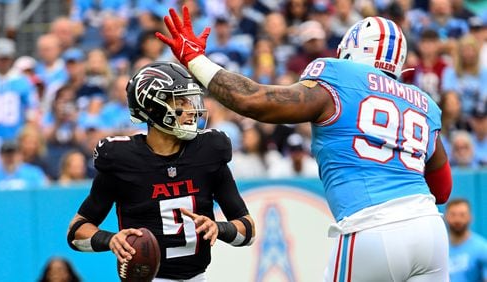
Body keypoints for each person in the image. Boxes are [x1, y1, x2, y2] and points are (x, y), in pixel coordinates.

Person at [157, 7, 452, 281]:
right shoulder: (424, 102)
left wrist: (195, 60)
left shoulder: (337, 76)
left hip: (372, 226)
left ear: (350, 51)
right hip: (430, 231)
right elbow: (441, 189)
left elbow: (254, 101)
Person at [67, 62, 255, 282]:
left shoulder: (208, 152)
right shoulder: (122, 160)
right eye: (181, 101)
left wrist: (220, 228)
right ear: (152, 108)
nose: (191, 109)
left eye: (190, 100)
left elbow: (248, 229)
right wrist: (110, 240)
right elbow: (76, 231)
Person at [445, 198, 487, 282]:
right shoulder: (438, 248)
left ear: (470, 217)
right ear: (446, 217)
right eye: (453, 215)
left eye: (462, 215)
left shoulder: (482, 248)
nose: (457, 220)